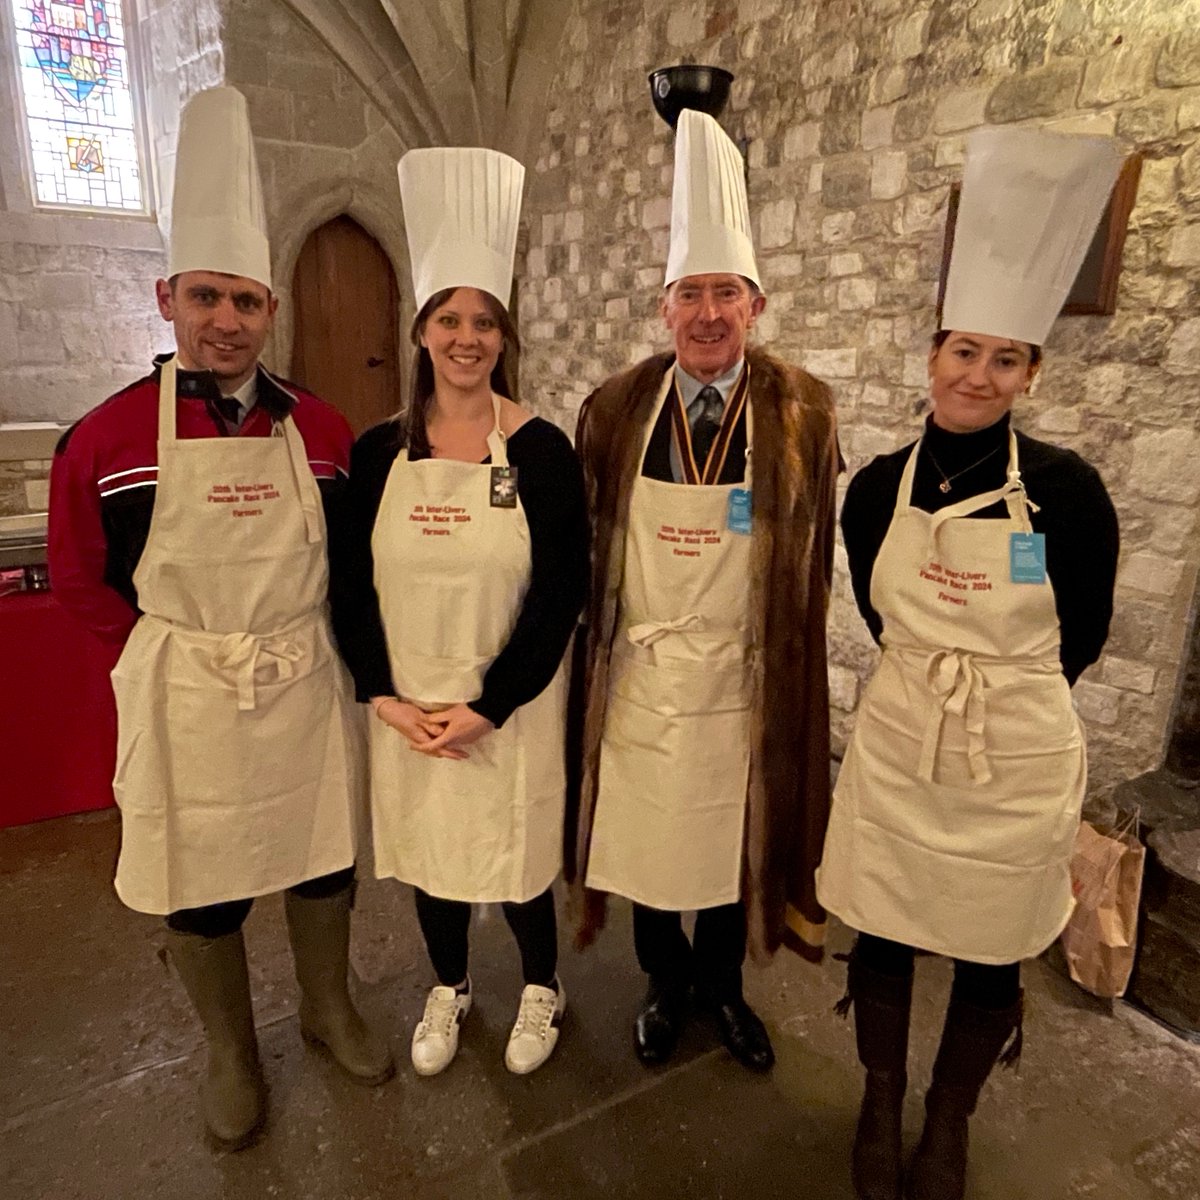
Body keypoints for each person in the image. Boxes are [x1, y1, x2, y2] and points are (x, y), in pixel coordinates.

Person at [47, 88, 392, 1152]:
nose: (227, 320)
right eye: (206, 298)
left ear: (272, 310)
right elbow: (80, 583)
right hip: (187, 688)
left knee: (320, 853)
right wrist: (170, 661)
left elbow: (349, 567)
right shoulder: (103, 441)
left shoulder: (323, 429)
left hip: (301, 678)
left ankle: (328, 1010)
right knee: (199, 878)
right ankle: (234, 1053)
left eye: (245, 300)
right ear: (168, 298)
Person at [817, 127, 1122, 1200]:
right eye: (962, 351)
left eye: (1004, 358)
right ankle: (878, 1100)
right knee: (889, 925)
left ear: (1031, 371)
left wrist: (997, 699)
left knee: (993, 947)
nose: (977, 376)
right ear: (932, 354)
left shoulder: (1071, 494)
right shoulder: (876, 489)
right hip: (905, 737)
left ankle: (948, 1124)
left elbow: (1078, 637)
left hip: (1015, 752)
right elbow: (877, 606)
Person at [567, 109, 841, 1073]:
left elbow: (814, 559)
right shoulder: (613, 409)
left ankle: (721, 987)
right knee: (645, 842)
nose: (709, 314)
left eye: (728, 292)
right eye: (692, 294)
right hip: (642, 679)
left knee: (730, 842)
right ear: (664, 306)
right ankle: (662, 982)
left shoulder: (805, 410)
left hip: (743, 677)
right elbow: (587, 562)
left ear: (755, 303)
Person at [332, 147, 588, 1078]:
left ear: (503, 336)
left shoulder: (544, 451)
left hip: (508, 702)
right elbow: (348, 587)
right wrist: (384, 695)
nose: (467, 336)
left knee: (516, 855)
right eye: (450, 318)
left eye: (484, 321)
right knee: (434, 854)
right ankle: (449, 985)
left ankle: (541, 985)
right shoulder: (374, 456)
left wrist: (495, 702)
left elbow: (562, 592)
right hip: (409, 698)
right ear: (422, 333)